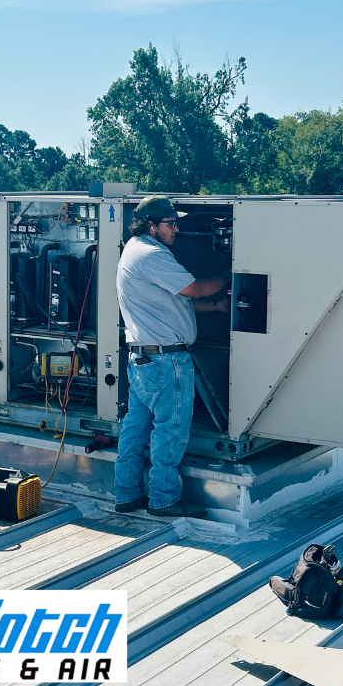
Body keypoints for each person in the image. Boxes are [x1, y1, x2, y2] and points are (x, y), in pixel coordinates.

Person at [114, 195, 230, 518]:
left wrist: (215, 308)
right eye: (171, 223)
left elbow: (168, 306)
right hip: (167, 362)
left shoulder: (133, 251)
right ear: (152, 225)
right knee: (170, 430)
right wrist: (232, 272)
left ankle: (126, 494)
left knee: (135, 430)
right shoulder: (153, 255)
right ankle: (164, 499)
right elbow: (196, 290)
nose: (176, 229)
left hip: (142, 360)